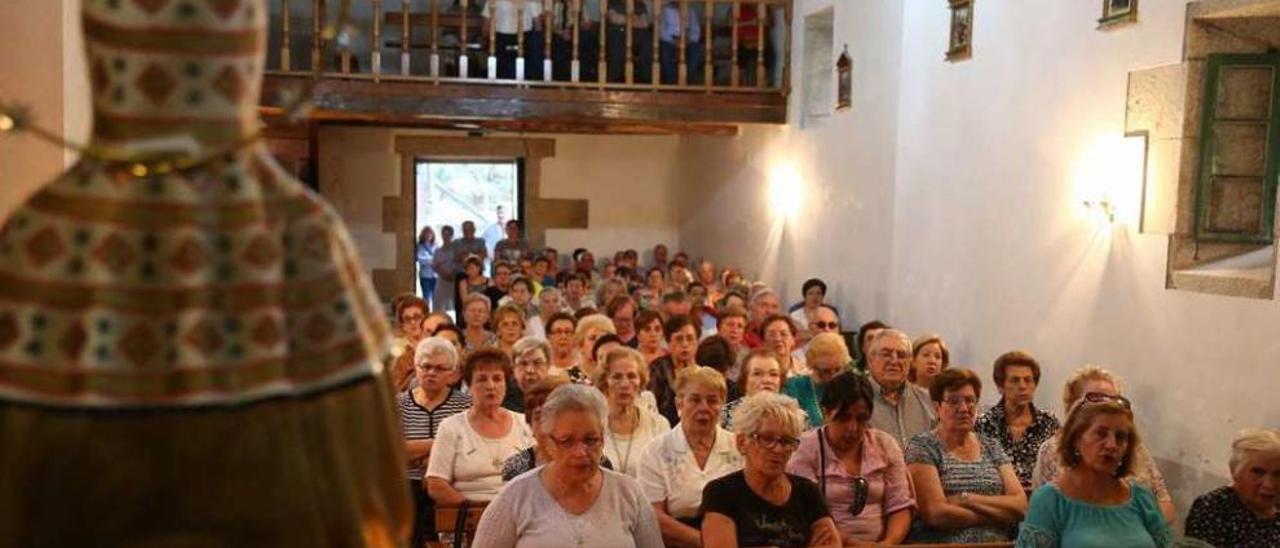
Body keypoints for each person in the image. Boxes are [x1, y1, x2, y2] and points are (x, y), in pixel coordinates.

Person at [473, 384, 664, 547]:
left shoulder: (629, 494)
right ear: (549, 443)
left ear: (603, 440)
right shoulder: (515, 498)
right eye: (567, 441)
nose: (581, 452)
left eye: (591, 440)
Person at [1015, 393, 1172, 548]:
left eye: (1120, 437)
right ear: (1076, 439)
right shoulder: (1051, 501)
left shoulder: (1141, 498)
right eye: (1101, 434)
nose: (1111, 445)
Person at [1029, 365, 1176, 523]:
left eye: (1115, 400)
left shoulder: (1134, 448)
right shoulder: (1053, 450)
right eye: (1098, 401)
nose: (1108, 408)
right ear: (1073, 407)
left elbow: (1164, 502)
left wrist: (1144, 530)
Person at [700, 391, 842, 548]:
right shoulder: (721, 494)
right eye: (767, 438)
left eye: (787, 441)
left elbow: (831, 543)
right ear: (742, 442)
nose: (778, 449)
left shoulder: (807, 492)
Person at [788, 372, 915, 545]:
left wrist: (889, 543)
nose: (853, 428)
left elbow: (900, 504)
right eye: (843, 418)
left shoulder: (885, 444)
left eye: (861, 419)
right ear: (826, 413)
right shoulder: (805, 448)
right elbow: (809, 514)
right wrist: (854, 545)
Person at [906, 368, 1026, 543]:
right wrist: (998, 516)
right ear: (937, 407)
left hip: (999, 544)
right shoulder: (923, 446)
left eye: (970, 400)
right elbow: (935, 514)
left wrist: (966, 499)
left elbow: (1020, 505)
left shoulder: (991, 445)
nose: (964, 408)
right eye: (954, 401)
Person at [639, 366, 743, 547]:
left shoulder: (739, 448)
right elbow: (654, 517)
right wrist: (707, 543)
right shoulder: (655, 451)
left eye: (712, 401)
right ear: (679, 403)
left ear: (722, 405)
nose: (704, 408)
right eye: (694, 400)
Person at [426, 348, 536, 503]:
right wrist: (476, 513)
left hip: (519, 513)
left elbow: (540, 476)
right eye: (482, 379)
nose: (490, 386)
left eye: (497, 379)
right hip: (468, 518)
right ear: (469, 386)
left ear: (506, 384)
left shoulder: (524, 424)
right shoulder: (450, 427)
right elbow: (436, 485)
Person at [400, 337, 472, 546]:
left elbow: (467, 449)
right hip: (409, 488)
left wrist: (420, 451)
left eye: (440, 368)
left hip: (450, 485)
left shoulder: (465, 404)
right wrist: (441, 444)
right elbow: (394, 452)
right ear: (416, 367)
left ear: (452, 373)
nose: (431, 373)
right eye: (426, 366)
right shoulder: (398, 404)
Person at [974, 351, 1060, 495]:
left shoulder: (1049, 423)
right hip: (1000, 501)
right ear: (1001, 386)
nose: (1022, 386)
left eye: (1028, 380)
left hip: (1043, 500)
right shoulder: (984, 424)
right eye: (1015, 380)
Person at [1185, 428, 1280, 548]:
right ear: (1235, 471)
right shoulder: (1214, 507)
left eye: (1278, 474)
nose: (1269, 484)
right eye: (1258, 472)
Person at [599, 347, 672, 477]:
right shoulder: (593, 426)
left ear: (641, 381)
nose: (625, 384)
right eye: (617, 377)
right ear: (605, 382)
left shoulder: (658, 425)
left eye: (632, 376)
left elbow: (668, 475)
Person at [865, 329, 935, 447]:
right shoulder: (854, 401)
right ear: (870, 360)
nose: (894, 361)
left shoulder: (929, 401)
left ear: (910, 362)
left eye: (902, 355)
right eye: (886, 354)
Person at [783, 332, 850, 429]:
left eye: (837, 369)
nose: (833, 376)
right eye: (826, 371)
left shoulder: (848, 388)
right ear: (812, 366)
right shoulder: (794, 387)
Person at [647, 315, 701, 425]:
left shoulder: (705, 369)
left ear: (697, 341)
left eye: (690, 338)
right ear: (668, 342)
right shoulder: (657, 369)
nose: (685, 344)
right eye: (679, 339)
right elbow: (650, 408)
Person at [722, 349, 785, 431]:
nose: (767, 380)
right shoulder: (724, 416)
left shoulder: (796, 417)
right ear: (745, 380)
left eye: (773, 374)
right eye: (757, 374)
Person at [658, 0, 703, 85]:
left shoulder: (691, 11)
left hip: (687, 40)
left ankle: (686, 82)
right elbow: (661, 31)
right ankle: (672, 83)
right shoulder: (665, 10)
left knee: (697, 51)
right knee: (665, 54)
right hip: (669, 41)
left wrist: (688, 40)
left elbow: (696, 31)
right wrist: (674, 41)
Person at [503, 335, 552, 413]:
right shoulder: (502, 398)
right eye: (523, 364)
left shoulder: (557, 399)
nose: (530, 370)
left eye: (537, 363)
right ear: (513, 368)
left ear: (548, 366)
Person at [391, 296, 430, 392]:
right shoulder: (396, 350)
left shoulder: (435, 343)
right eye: (407, 319)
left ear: (426, 318)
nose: (413, 322)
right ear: (402, 325)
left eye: (417, 317)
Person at [451, 221, 489, 313]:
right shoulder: (457, 242)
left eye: (470, 229)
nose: (468, 231)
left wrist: (466, 255)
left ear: (474, 230)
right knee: (460, 301)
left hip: (478, 275)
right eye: (465, 229)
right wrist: (474, 255)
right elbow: (456, 257)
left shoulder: (480, 241)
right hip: (461, 274)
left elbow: (483, 255)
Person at [568, 313, 616, 383]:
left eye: (603, 338)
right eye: (592, 338)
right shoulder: (570, 376)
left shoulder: (616, 374)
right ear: (580, 345)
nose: (599, 342)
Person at [432, 224, 458, 314]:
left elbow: (460, 264)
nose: (446, 237)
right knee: (439, 307)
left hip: (454, 281)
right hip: (442, 281)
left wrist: (453, 275)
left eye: (448, 235)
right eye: (444, 235)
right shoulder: (438, 251)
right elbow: (434, 266)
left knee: (454, 306)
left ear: (452, 235)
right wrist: (443, 274)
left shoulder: (456, 250)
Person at [416, 226, 439, 307]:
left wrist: (430, 260)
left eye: (430, 234)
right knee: (426, 297)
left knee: (436, 298)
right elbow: (420, 259)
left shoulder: (436, 246)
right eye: (426, 234)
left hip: (436, 275)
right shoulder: (420, 246)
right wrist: (433, 260)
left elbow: (440, 259)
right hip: (425, 275)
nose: (428, 235)